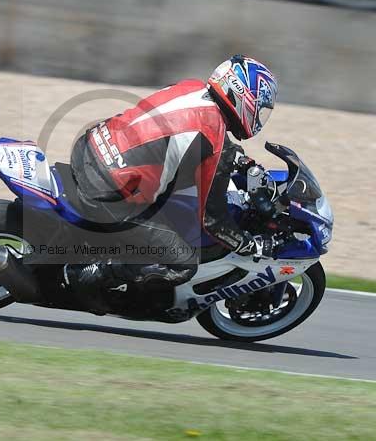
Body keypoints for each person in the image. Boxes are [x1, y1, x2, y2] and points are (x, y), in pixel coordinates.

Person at [60, 55, 279, 313]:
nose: (258, 117)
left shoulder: (190, 88)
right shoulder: (213, 136)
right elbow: (213, 221)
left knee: (169, 189)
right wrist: (248, 244)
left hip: (89, 148)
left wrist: (237, 159)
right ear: (243, 96)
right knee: (183, 264)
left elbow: (180, 132)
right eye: (260, 109)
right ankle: (93, 274)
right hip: (108, 192)